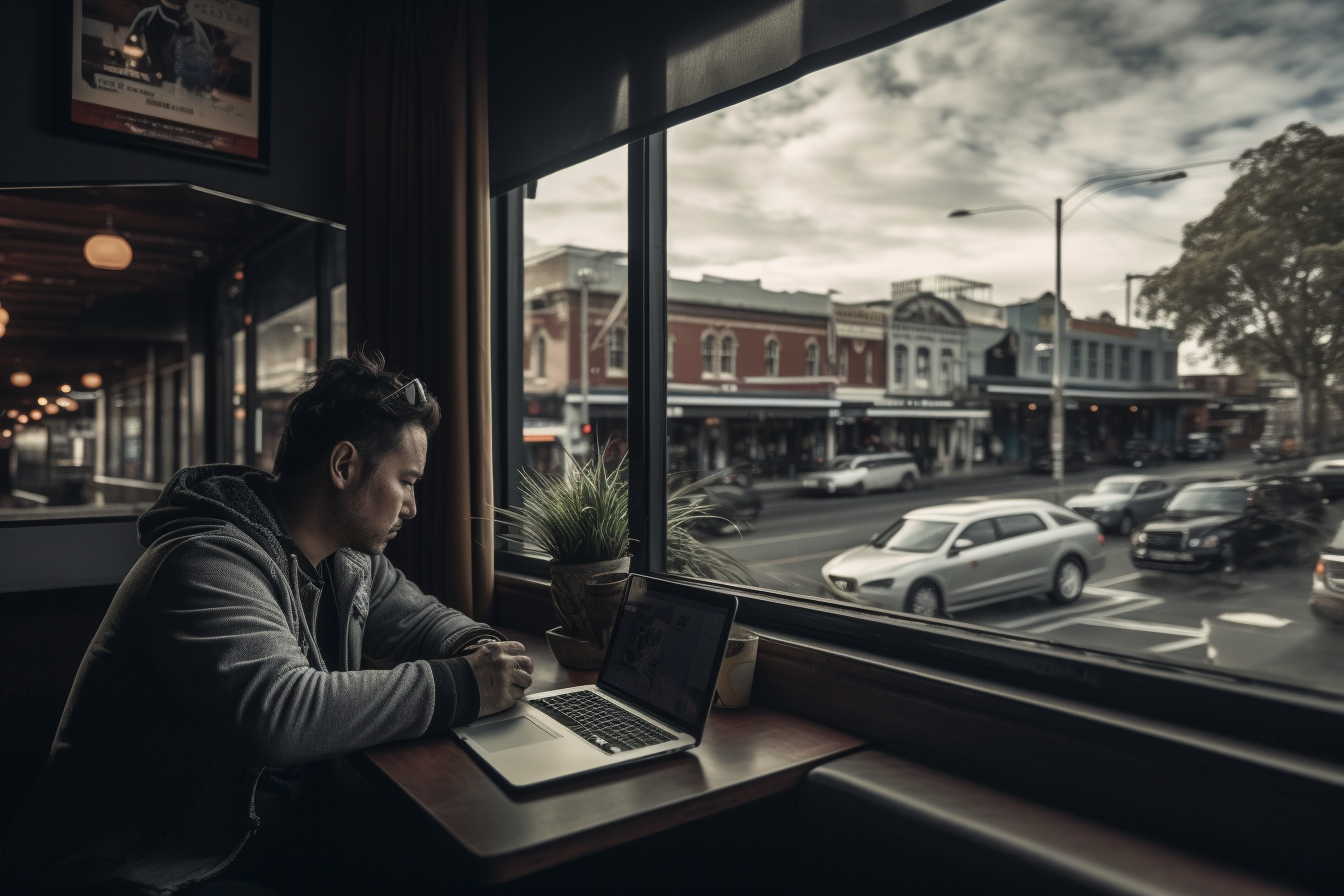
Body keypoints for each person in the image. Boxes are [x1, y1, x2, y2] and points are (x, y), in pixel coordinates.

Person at [1, 352, 532, 895]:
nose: (413, 507)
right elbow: (281, 715)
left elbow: (420, 620)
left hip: (265, 834)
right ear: (345, 466)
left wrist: (483, 649)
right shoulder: (205, 562)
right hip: (146, 868)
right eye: (407, 481)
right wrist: (467, 683)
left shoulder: (349, 559)